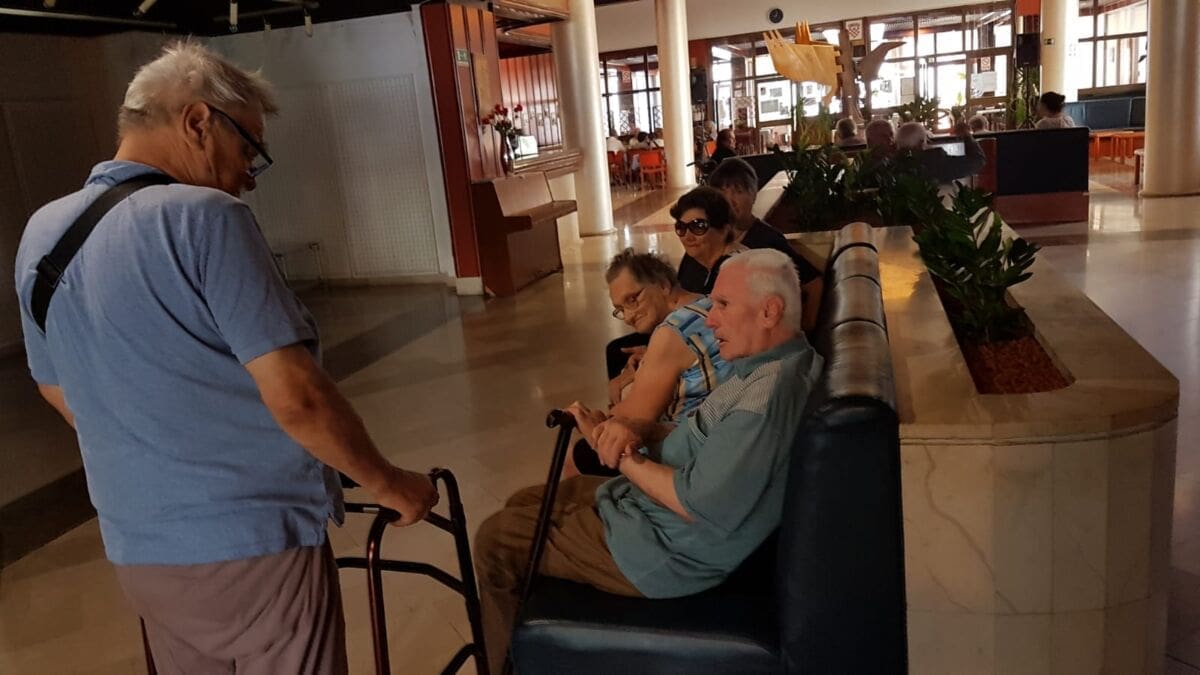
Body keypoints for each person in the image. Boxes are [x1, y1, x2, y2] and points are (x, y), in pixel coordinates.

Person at [13, 41, 438, 675]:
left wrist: (159, 452)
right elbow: (298, 397)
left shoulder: (43, 232)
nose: (249, 175)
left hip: (138, 546)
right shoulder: (207, 218)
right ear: (197, 121)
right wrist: (392, 485)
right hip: (254, 542)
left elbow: (56, 389)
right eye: (248, 150)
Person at [473, 249, 825, 675]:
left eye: (723, 305)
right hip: (651, 515)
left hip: (663, 551)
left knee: (495, 539)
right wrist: (635, 430)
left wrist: (623, 455)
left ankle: (503, 667)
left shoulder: (765, 398)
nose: (712, 320)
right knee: (524, 500)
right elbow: (702, 438)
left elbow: (698, 505)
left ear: (769, 311)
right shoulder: (769, 365)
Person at [567, 249, 733, 477]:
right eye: (620, 309)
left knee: (575, 454)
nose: (628, 316)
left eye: (633, 300)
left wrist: (592, 422)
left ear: (663, 285)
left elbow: (629, 421)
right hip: (717, 433)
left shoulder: (672, 332)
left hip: (683, 452)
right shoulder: (707, 304)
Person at [707, 158, 824, 331]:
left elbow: (814, 283)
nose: (729, 200)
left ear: (754, 195)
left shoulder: (766, 239)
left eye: (738, 191)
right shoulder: (713, 237)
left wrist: (806, 328)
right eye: (722, 192)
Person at [672, 186, 745, 295]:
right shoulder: (692, 262)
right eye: (681, 227)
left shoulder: (737, 270)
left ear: (724, 229)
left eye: (698, 227)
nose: (688, 237)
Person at [896, 120, 987, 184]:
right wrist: (967, 135)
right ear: (921, 143)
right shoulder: (934, 160)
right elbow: (978, 161)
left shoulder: (894, 165)